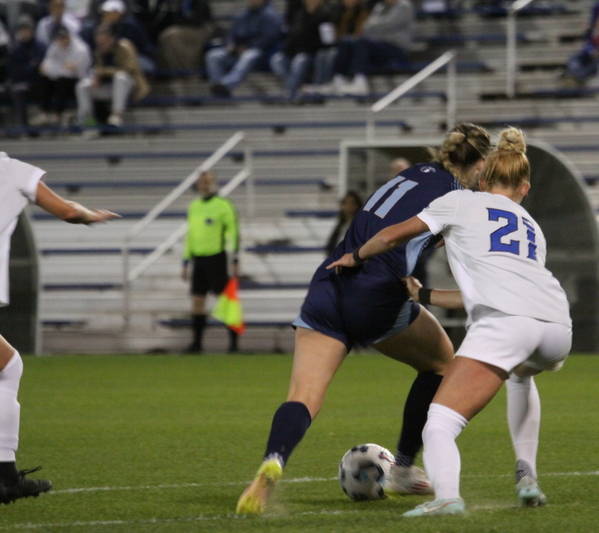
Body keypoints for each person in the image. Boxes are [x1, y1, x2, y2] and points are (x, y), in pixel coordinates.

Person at [235, 123, 493, 515]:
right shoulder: (458, 197)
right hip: (375, 293)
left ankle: (273, 463)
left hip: (330, 282)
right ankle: (404, 468)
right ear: (480, 165)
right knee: (442, 362)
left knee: (304, 396)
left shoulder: (409, 174)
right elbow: (415, 241)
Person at [328, 128, 573, 517]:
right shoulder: (531, 227)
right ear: (523, 188)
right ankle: (527, 476)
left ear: (483, 178)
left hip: (507, 325)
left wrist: (355, 256)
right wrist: (423, 296)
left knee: (439, 422)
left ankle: (447, 498)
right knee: (521, 375)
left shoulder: (459, 200)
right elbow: (489, 290)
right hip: (557, 327)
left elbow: (393, 235)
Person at [0, 152, 118, 505]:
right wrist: (89, 216)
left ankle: (5, 475)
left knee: (7, 365)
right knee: (8, 367)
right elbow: (67, 210)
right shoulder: (11, 169)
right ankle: (5, 478)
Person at [182, 171, 241, 354]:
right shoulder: (194, 206)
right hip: (198, 260)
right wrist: (186, 261)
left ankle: (233, 344)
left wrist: (235, 257)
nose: (205, 185)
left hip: (217, 258)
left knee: (226, 302)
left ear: (214, 184)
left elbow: (233, 232)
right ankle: (197, 344)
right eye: (202, 182)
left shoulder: (223, 205)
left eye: (208, 182)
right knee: (197, 301)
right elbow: (190, 236)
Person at [324, 0, 414, 96]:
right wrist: (373, 27)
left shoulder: (404, 6)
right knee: (347, 42)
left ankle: (360, 81)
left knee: (361, 43)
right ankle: (338, 79)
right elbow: (367, 26)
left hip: (396, 49)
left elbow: (388, 24)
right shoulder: (380, 6)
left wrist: (373, 27)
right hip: (376, 46)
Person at [75, 24, 150, 128]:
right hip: (110, 88)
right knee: (82, 86)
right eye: (98, 42)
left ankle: (116, 115)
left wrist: (105, 71)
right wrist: (96, 79)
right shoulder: (99, 52)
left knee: (121, 77)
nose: (100, 44)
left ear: (111, 39)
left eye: (103, 42)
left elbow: (129, 69)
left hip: (130, 86)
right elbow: (98, 70)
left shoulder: (124, 46)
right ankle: (88, 120)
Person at [203, 0, 283, 98]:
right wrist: (230, 44)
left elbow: (269, 38)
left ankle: (226, 85)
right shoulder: (243, 15)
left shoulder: (271, 15)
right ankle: (217, 88)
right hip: (237, 52)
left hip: (261, 55)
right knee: (213, 56)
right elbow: (231, 33)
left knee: (249, 55)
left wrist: (247, 47)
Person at [269, 0, 334, 100]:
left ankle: (291, 95)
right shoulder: (299, 14)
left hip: (313, 54)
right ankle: (296, 88)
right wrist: (288, 50)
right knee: (277, 60)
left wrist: (308, 47)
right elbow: (293, 36)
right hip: (296, 51)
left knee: (300, 60)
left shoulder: (325, 16)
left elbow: (328, 41)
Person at [83, 0, 157, 75]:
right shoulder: (97, 27)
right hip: (112, 60)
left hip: (136, 57)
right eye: (106, 13)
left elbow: (140, 48)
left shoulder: (130, 26)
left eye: (112, 13)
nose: (108, 15)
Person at [309, 0, 369, 88]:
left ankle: (330, 82)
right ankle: (319, 84)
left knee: (331, 55)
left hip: (353, 47)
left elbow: (359, 33)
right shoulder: (341, 12)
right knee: (321, 54)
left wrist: (340, 37)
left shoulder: (363, 13)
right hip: (341, 44)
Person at [40, 26, 92, 126]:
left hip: (77, 81)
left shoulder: (80, 49)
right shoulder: (54, 46)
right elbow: (44, 68)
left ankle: (57, 114)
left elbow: (73, 71)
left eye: (64, 37)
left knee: (62, 82)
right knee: (43, 81)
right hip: (59, 78)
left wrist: (56, 68)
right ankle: (45, 113)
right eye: (59, 38)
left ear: (69, 37)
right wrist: (62, 67)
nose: (62, 40)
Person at [152, 0, 215, 72]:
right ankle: (172, 69)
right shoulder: (182, 3)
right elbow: (175, 18)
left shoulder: (201, 2)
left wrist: (184, 21)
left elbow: (199, 20)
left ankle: (186, 69)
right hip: (183, 28)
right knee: (165, 36)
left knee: (171, 35)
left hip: (199, 29)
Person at [7, 16, 46, 130]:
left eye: (27, 29)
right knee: (16, 91)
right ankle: (23, 128)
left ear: (32, 30)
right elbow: (13, 70)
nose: (24, 32)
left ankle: (44, 123)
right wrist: (29, 67)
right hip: (20, 83)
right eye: (22, 30)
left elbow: (39, 68)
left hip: (38, 83)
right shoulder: (16, 49)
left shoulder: (40, 47)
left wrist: (28, 68)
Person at [324, 190, 363, 256]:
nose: (349, 206)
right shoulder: (339, 227)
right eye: (346, 203)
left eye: (352, 203)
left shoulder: (363, 227)